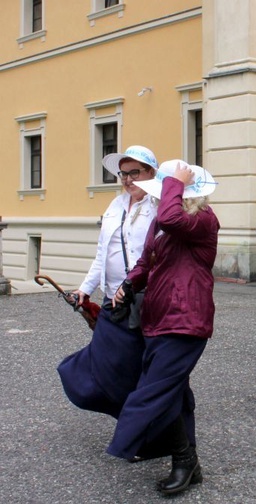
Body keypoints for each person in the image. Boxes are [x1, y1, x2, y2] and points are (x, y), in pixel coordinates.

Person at [107, 159, 220, 496]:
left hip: (186, 321)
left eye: (166, 189)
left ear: (183, 191)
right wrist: (128, 284)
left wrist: (174, 181)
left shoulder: (203, 219)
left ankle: (182, 459)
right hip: (159, 318)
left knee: (156, 390)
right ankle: (190, 463)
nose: (159, 196)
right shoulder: (162, 220)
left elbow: (172, 218)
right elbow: (146, 261)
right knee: (176, 393)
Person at [58, 145, 158, 420]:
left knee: (146, 366)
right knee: (105, 363)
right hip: (112, 299)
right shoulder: (114, 205)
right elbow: (102, 254)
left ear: (151, 173)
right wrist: (84, 289)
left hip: (147, 299)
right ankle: (128, 416)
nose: (127, 180)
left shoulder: (159, 207)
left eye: (134, 173)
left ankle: (153, 425)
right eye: (123, 174)